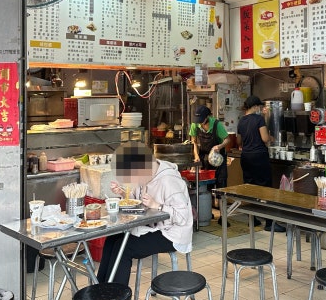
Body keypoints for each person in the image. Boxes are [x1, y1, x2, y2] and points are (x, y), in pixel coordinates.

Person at [96, 142, 193, 286]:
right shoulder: (147, 175)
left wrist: (157, 205)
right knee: (112, 238)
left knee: (124, 248)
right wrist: (122, 192)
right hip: (153, 226)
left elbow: (183, 217)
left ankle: (115, 295)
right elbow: (138, 200)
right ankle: (101, 289)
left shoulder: (169, 181)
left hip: (172, 233)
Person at [235, 95, 285, 232]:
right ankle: (269, 223)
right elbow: (264, 138)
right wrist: (271, 138)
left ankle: (253, 219)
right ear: (256, 106)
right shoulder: (259, 119)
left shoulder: (241, 121)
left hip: (246, 157)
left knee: (250, 188)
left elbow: (239, 141)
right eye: (259, 106)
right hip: (259, 157)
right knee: (266, 189)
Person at [189, 104, 229, 187]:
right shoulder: (195, 124)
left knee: (220, 183)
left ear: (207, 117)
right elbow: (194, 142)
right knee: (207, 185)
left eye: (201, 120)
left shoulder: (216, 124)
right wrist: (196, 155)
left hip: (218, 157)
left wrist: (219, 146)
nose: (200, 123)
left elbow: (227, 139)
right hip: (205, 158)